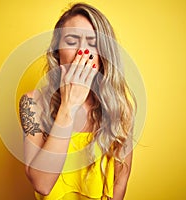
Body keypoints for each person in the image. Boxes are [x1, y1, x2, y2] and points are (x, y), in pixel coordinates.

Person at [19, 3, 136, 200]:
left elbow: (120, 181)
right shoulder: (32, 103)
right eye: (72, 41)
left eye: (92, 43)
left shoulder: (121, 108)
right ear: (57, 52)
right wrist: (69, 106)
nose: (83, 52)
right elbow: (42, 184)